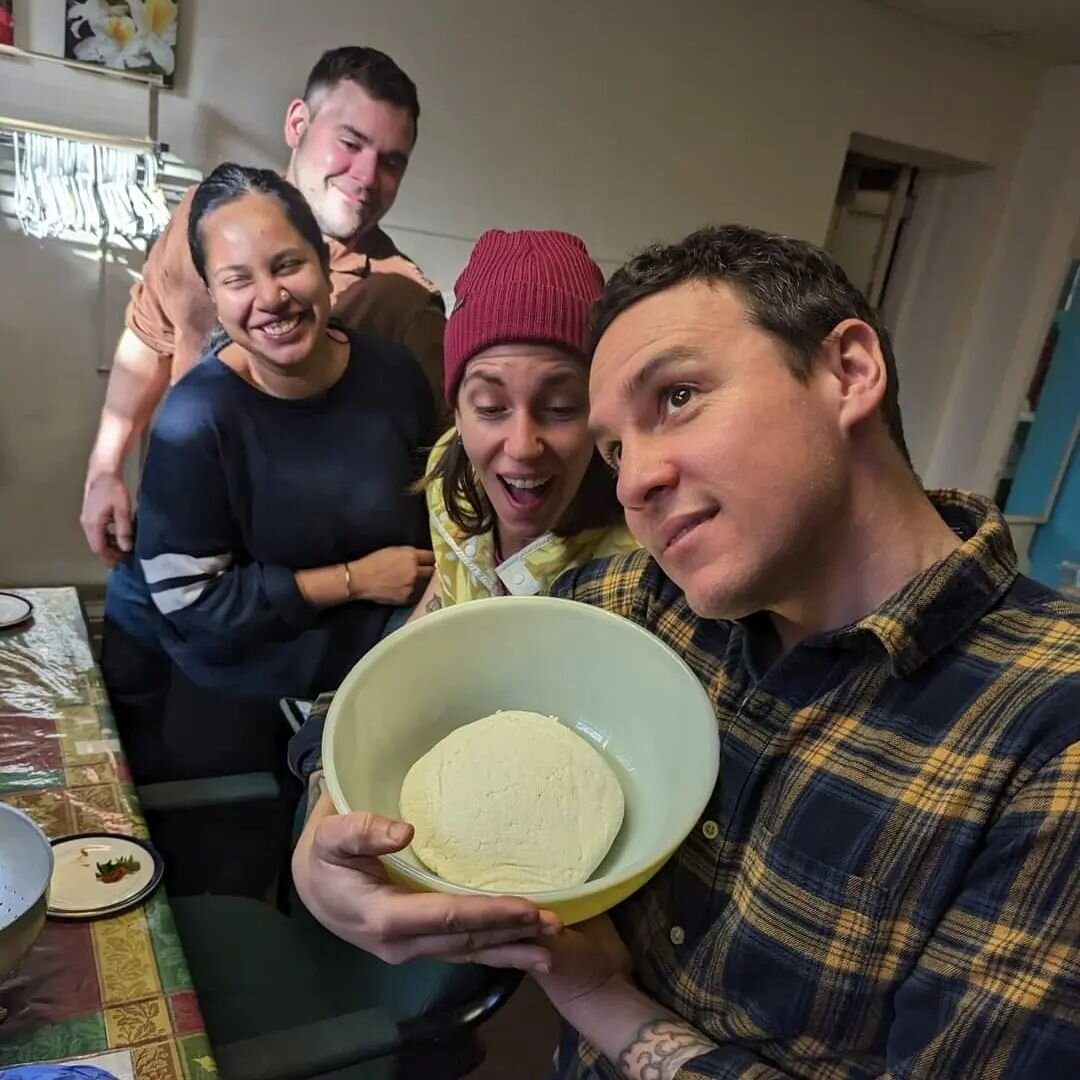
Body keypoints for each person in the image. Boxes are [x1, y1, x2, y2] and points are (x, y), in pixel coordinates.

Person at [291, 225, 1080, 1078]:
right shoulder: (645, 603)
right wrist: (320, 845)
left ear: (848, 371)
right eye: (616, 448)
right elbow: (379, 698)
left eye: (676, 397)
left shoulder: (1048, 734)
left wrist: (604, 1002)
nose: (632, 481)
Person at [103, 163, 435, 892]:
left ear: (322, 263)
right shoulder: (197, 420)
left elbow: (432, 508)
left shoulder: (391, 375)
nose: (271, 298)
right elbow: (191, 601)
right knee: (234, 887)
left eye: (288, 265)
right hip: (240, 692)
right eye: (238, 279)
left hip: (363, 691)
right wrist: (351, 580)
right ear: (213, 295)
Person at [285, 228, 637, 793]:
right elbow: (438, 605)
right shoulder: (452, 473)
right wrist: (338, 736)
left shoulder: (642, 557)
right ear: (457, 408)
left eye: (562, 406)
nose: (522, 445)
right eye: (490, 406)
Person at [81, 45, 445, 568]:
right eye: (350, 142)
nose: (366, 176)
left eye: (391, 162)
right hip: (169, 545)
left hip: (300, 605)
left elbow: (437, 477)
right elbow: (151, 336)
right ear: (298, 122)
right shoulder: (202, 219)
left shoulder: (405, 304)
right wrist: (105, 468)